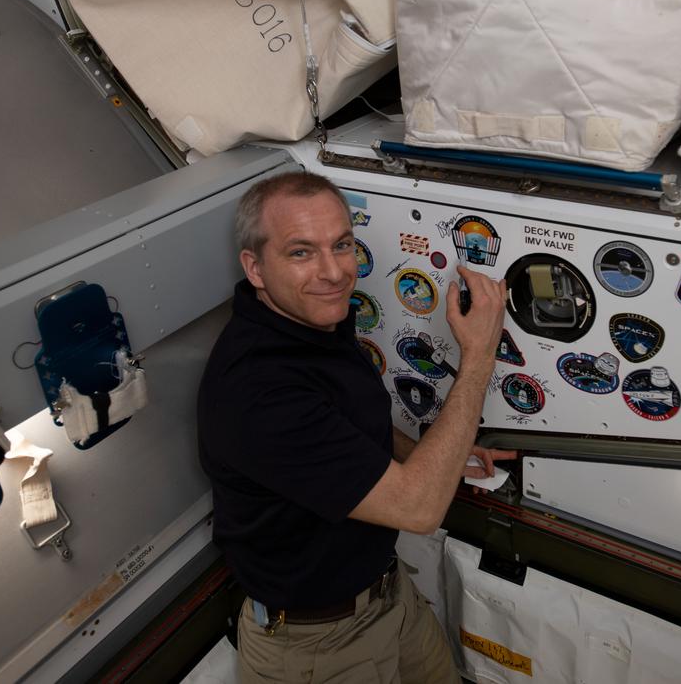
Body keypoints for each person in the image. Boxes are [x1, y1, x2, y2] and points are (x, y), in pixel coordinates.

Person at [197, 172, 513, 683]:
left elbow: (350, 426)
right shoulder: (258, 392)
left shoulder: (311, 321)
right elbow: (418, 509)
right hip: (314, 646)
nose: (335, 272)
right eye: (301, 252)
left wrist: (435, 453)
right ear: (255, 268)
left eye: (341, 244)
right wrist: (478, 354)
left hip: (389, 597)